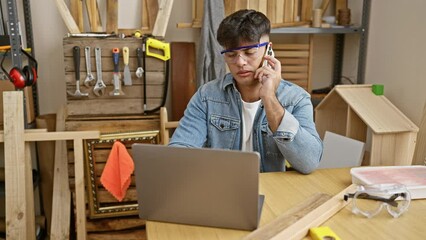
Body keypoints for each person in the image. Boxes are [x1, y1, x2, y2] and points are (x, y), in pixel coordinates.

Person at [169, 9, 323, 174]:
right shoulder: (207, 96)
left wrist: (269, 98)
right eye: (231, 54)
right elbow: (180, 151)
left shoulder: (296, 98)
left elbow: (309, 162)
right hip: (224, 189)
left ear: (268, 50)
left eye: (249, 52)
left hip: (273, 193)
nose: (240, 62)